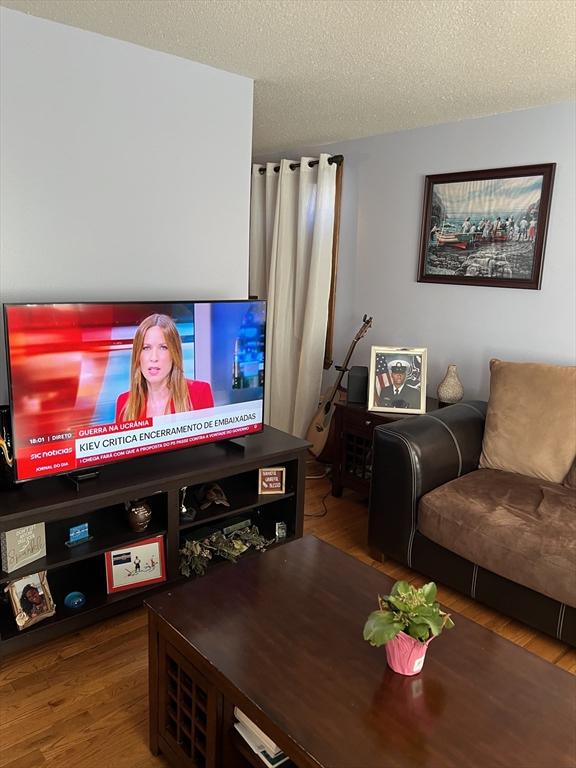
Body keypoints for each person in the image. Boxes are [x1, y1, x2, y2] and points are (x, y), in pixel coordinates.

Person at [116, 313, 214, 421]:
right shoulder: (124, 404)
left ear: (174, 353)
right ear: (137, 355)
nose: (154, 358)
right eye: (146, 348)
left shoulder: (199, 393)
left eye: (163, 347)